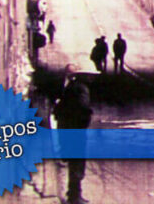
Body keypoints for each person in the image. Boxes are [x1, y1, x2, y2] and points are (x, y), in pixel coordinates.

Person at [53, 65, 92, 204]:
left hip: (66, 130)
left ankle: (73, 193)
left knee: (73, 162)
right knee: (77, 164)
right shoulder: (81, 89)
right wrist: (85, 121)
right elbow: (83, 108)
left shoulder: (68, 88)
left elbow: (58, 109)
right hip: (76, 131)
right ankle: (75, 196)